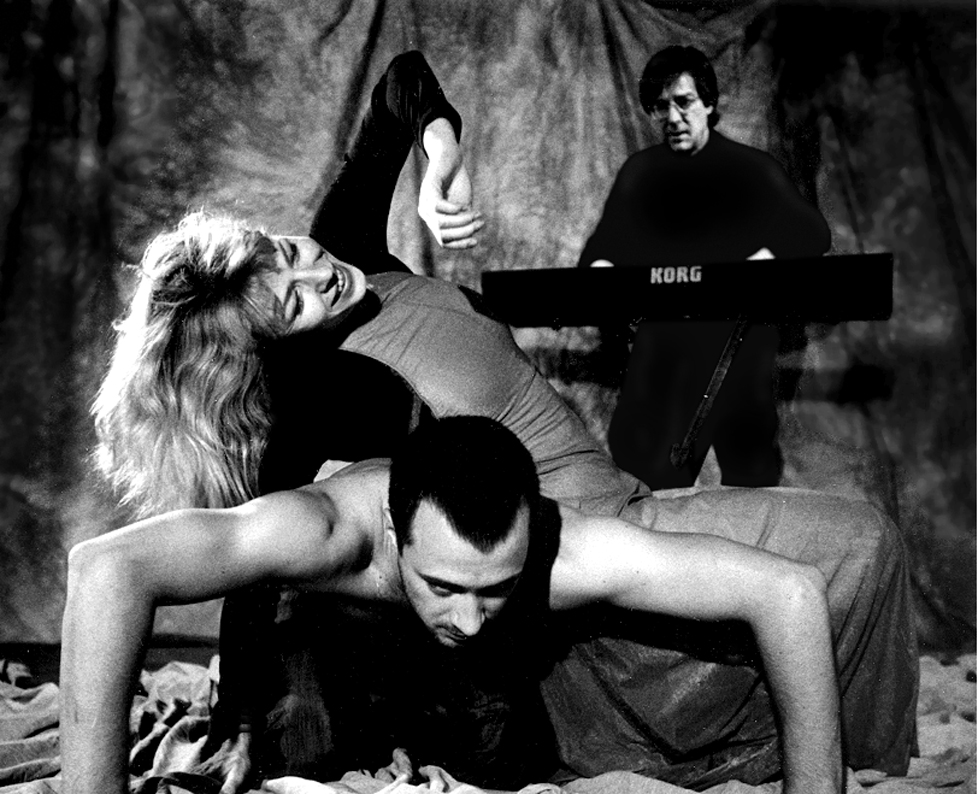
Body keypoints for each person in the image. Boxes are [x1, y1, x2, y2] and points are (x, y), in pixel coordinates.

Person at [83, 50, 916, 794]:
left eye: (287, 254)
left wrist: (439, 156)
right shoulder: (332, 386)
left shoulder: (343, 251)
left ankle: (836, 749)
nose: (317, 277)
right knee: (857, 546)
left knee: (859, 547)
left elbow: (403, 83)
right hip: (574, 547)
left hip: (628, 501)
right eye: (292, 306)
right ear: (279, 353)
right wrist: (239, 709)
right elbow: (255, 546)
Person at [63, 416, 844, 794]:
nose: (470, 619)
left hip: (452, 692)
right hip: (323, 647)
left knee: (508, 756)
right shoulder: (322, 531)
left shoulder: (567, 548)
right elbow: (107, 568)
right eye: (443, 585)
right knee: (295, 753)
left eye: (495, 589)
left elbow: (790, 590)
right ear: (395, 536)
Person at [576, 45, 832, 491]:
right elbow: (602, 249)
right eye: (661, 107)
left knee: (750, 473)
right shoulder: (640, 173)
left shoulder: (751, 168)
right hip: (664, 344)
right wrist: (600, 267)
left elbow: (812, 233)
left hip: (738, 341)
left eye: (684, 102)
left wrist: (769, 253)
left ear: (709, 104)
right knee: (644, 472)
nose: (673, 117)